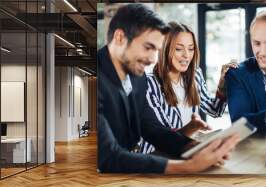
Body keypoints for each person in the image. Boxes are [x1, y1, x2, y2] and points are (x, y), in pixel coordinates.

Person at [97, 4, 240, 174]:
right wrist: (188, 167)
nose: (152, 59)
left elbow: (152, 128)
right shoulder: (98, 80)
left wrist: (192, 146)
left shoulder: (138, 77)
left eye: (155, 50)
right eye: (148, 47)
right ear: (120, 37)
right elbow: (110, 155)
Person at [140, 21, 238, 154]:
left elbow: (215, 110)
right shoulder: (149, 84)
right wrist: (191, 128)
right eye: (179, 49)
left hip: (188, 149)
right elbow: (164, 139)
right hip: (158, 156)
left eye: (191, 48)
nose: (187, 55)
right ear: (164, 49)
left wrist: (222, 85)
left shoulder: (195, 75)